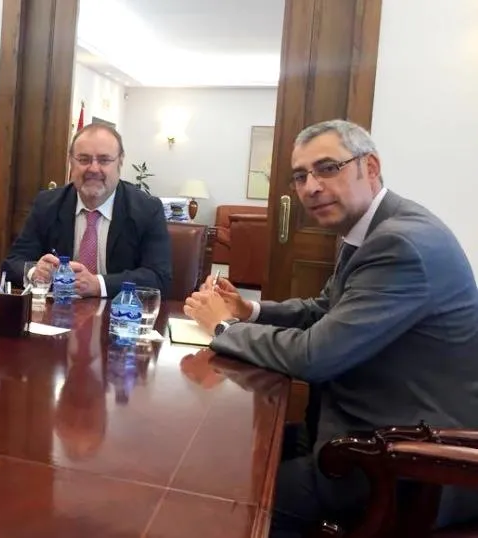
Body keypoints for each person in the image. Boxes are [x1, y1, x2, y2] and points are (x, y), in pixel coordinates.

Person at [183, 119, 478, 535]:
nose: (310, 187)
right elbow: (324, 309)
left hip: (408, 464)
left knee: (226, 498)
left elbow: (314, 356)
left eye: (327, 168)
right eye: (300, 176)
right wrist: (249, 309)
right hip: (358, 431)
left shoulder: (402, 244)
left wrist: (224, 327)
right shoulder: (370, 228)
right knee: (220, 451)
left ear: (370, 167)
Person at [1, 123, 172, 298]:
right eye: (84, 159)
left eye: (104, 160)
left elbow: (159, 277)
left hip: (117, 317)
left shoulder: (147, 209)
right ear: (71, 161)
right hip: (56, 315)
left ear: (120, 161)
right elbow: (12, 263)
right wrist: (35, 272)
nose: (93, 169)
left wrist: (98, 284)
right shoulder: (47, 204)